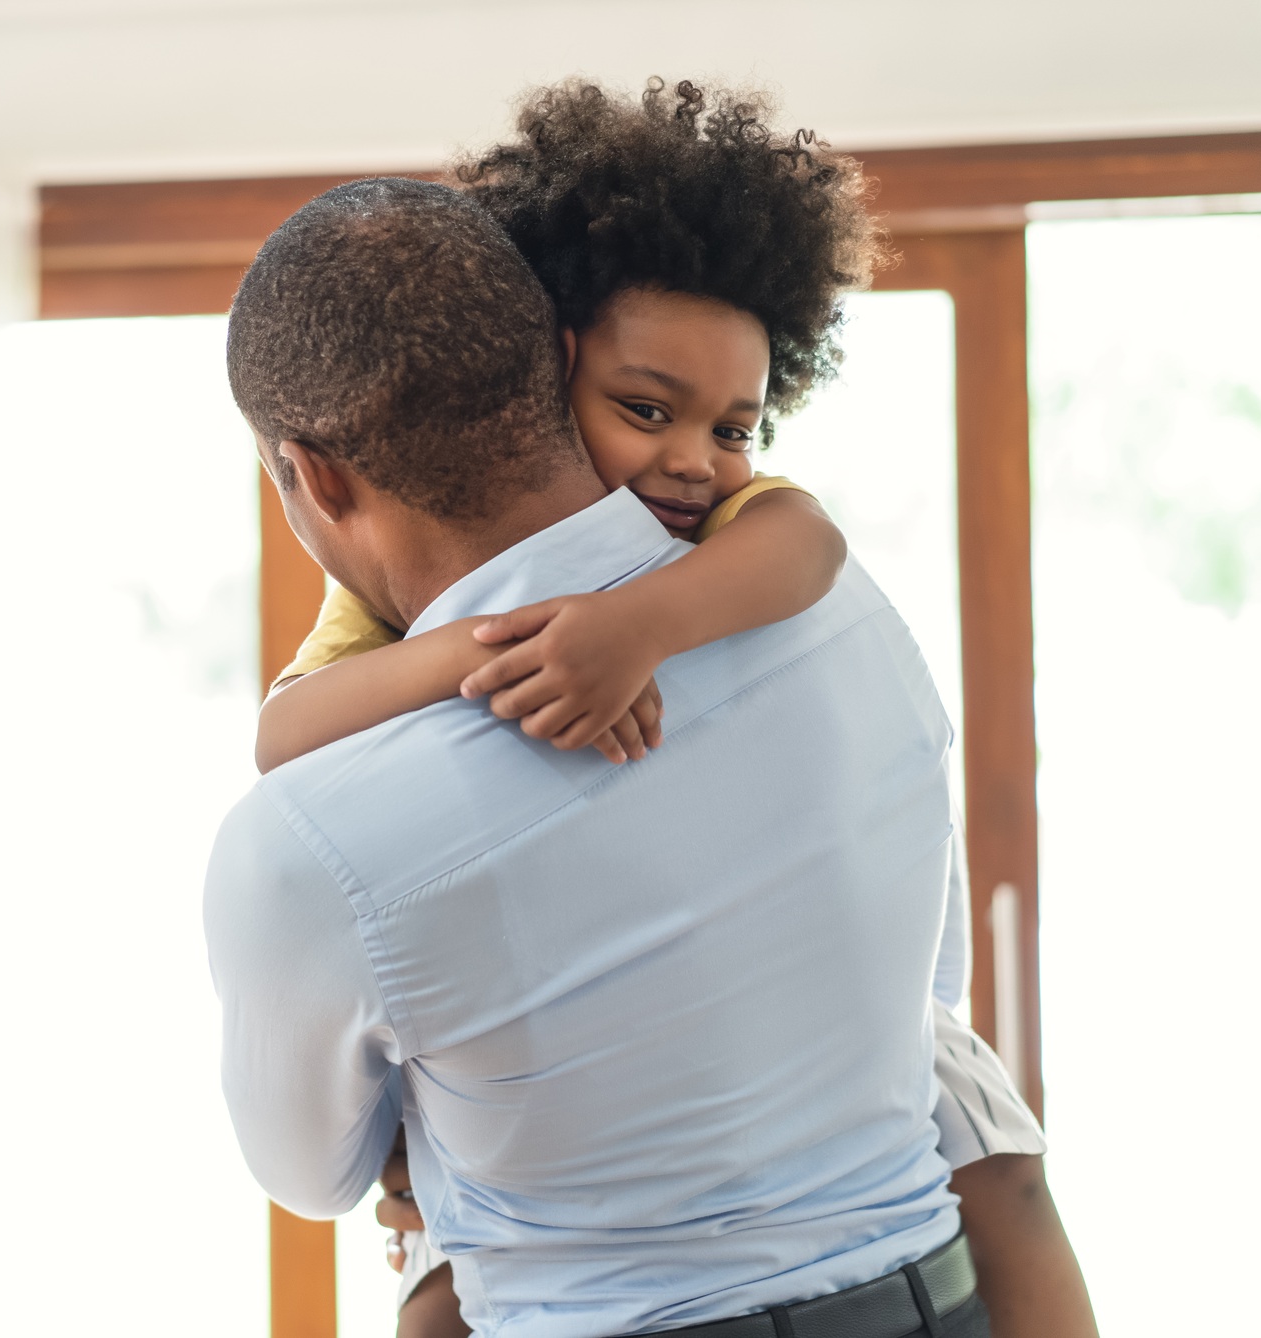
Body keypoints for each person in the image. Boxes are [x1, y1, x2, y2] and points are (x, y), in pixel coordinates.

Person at [242, 81, 1095, 1337]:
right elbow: (286, 734)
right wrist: (489, 650)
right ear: (550, 368)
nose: (694, 458)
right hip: (860, 1255)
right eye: (645, 412)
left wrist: (639, 623)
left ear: (311, 478)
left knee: (997, 1154)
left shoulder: (756, 549)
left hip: (828, 1137)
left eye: (735, 426)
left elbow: (804, 539)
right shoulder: (406, 630)